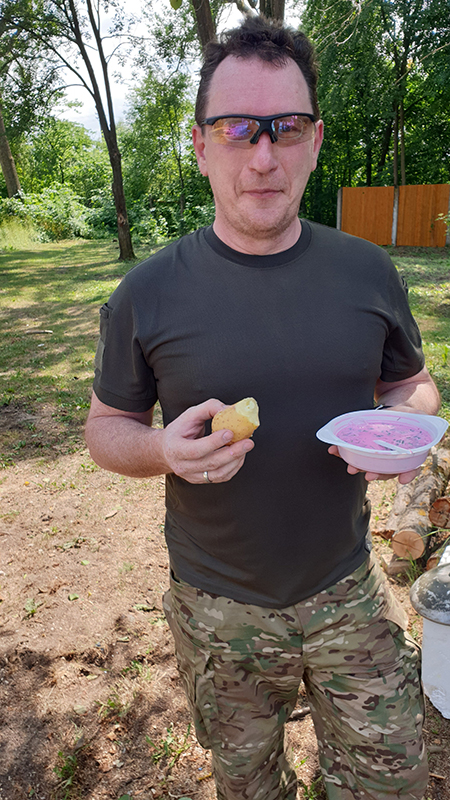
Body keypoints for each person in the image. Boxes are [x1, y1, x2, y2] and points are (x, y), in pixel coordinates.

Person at [85, 15, 440, 800]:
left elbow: (411, 383)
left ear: (315, 140)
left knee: (393, 781)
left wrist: (402, 430)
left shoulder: (368, 271)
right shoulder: (146, 293)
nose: (264, 156)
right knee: (248, 787)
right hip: (218, 609)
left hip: (347, 589)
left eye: (287, 127)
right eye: (237, 128)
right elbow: (106, 429)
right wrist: (162, 451)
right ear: (199, 144)